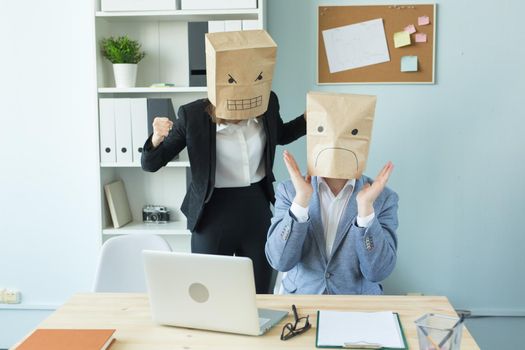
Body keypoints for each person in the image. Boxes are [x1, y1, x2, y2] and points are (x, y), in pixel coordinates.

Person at [141, 30, 305, 294]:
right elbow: (151, 163)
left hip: (255, 207)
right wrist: (157, 138)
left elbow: (281, 134)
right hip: (211, 212)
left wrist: (310, 119)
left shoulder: (266, 103)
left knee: (260, 292)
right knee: (208, 293)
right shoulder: (192, 116)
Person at [265, 91, 398, 295]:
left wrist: (365, 212)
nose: (336, 142)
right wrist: (300, 202)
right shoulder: (289, 191)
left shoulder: (383, 197)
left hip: (356, 308)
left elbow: (377, 272)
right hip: (302, 305)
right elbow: (279, 261)